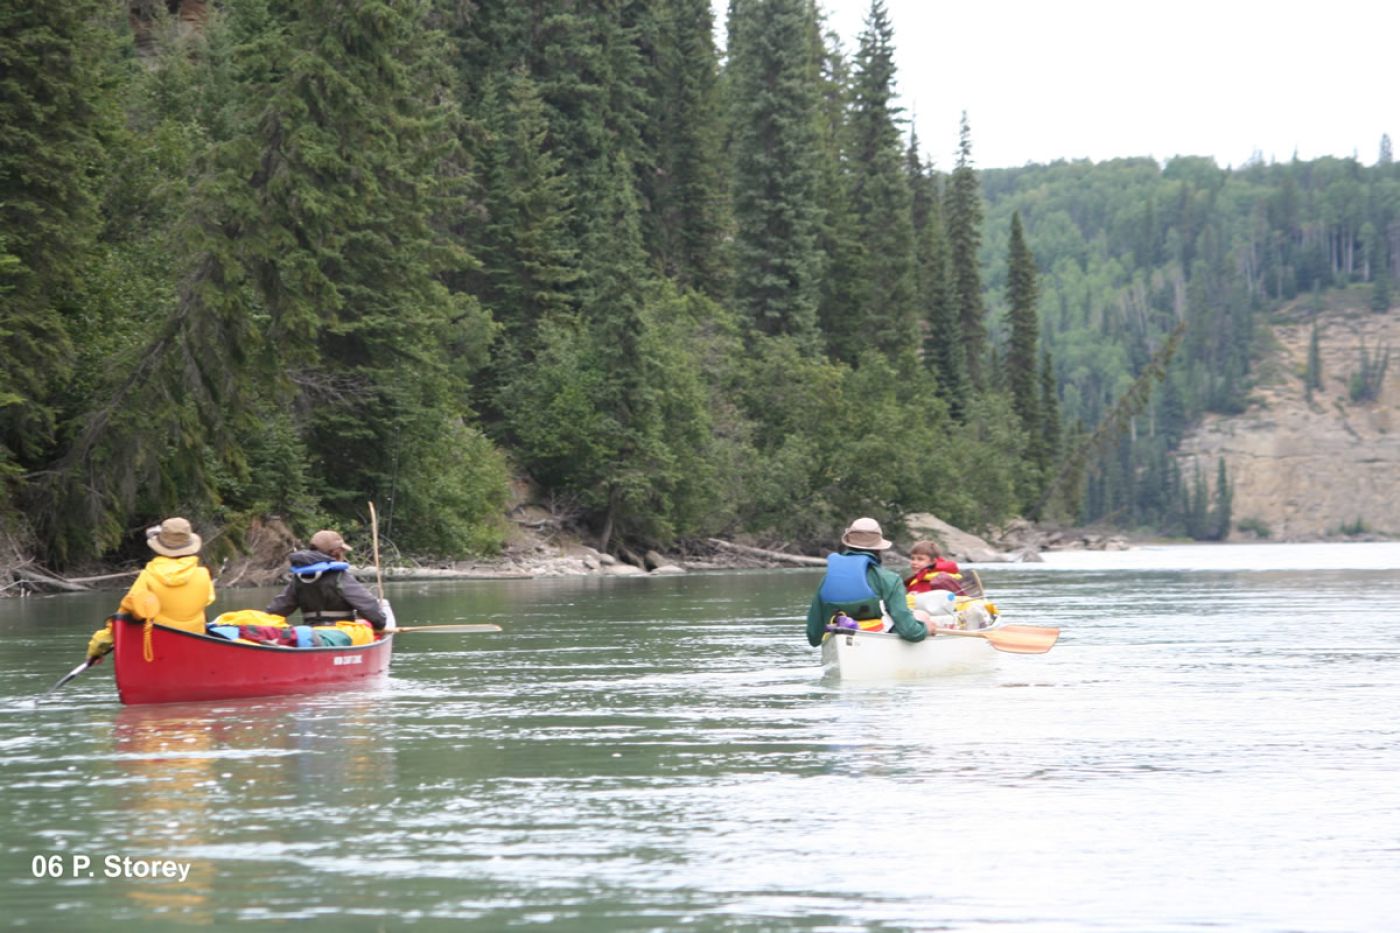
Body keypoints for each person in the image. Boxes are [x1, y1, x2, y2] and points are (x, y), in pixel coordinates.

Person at [86, 517, 216, 662]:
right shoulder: (203, 575)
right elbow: (207, 600)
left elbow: (123, 616)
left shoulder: (148, 576)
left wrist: (96, 649)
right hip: (193, 648)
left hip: (154, 652)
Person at [805, 517, 936, 647]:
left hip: (840, 642)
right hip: (878, 641)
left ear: (848, 544)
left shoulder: (827, 580)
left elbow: (813, 637)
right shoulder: (889, 579)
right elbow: (910, 631)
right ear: (879, 549)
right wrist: (925, 629)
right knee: (921, 616)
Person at [265, 529, 391, 630]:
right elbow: (372, 611)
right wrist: (380, 623)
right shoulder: (340, 577)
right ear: (336, 552)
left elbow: (275, 612)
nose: (343, 555)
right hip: (341, 636)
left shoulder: (299, 578)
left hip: (311, 635)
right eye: (342, 551)